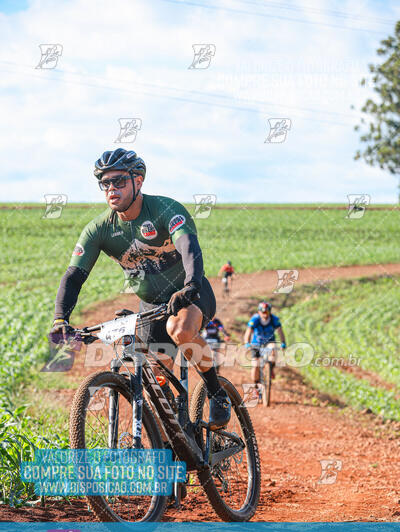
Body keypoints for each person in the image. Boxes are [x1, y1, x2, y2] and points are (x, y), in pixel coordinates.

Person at [49, 148, 230, 430]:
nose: (111, 188)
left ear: (139, 180)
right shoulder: (99, 229)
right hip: (151, 306)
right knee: (158, 388)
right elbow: (74, 276)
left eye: (119, 181)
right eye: (105, 183)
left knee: (180, 331)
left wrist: (192, 285)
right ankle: (176, 447)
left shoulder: (164, 209)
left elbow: (188, 247)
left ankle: (217, 393)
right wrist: (61, 318)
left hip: (189, 294)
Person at [243, 301, 286, 386]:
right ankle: (256, 384)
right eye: (263, 312)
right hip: (256, 343)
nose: (265, 314)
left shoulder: (274, 319)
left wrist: (283, 342)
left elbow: (280, 331)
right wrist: (247, 343)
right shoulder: (255, 319)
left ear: (270, 312)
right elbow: (248, 331)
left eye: (267, 312)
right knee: (255, 366)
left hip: (269, 342)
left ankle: (271, 368)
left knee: (273, 348)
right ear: (259, 312)